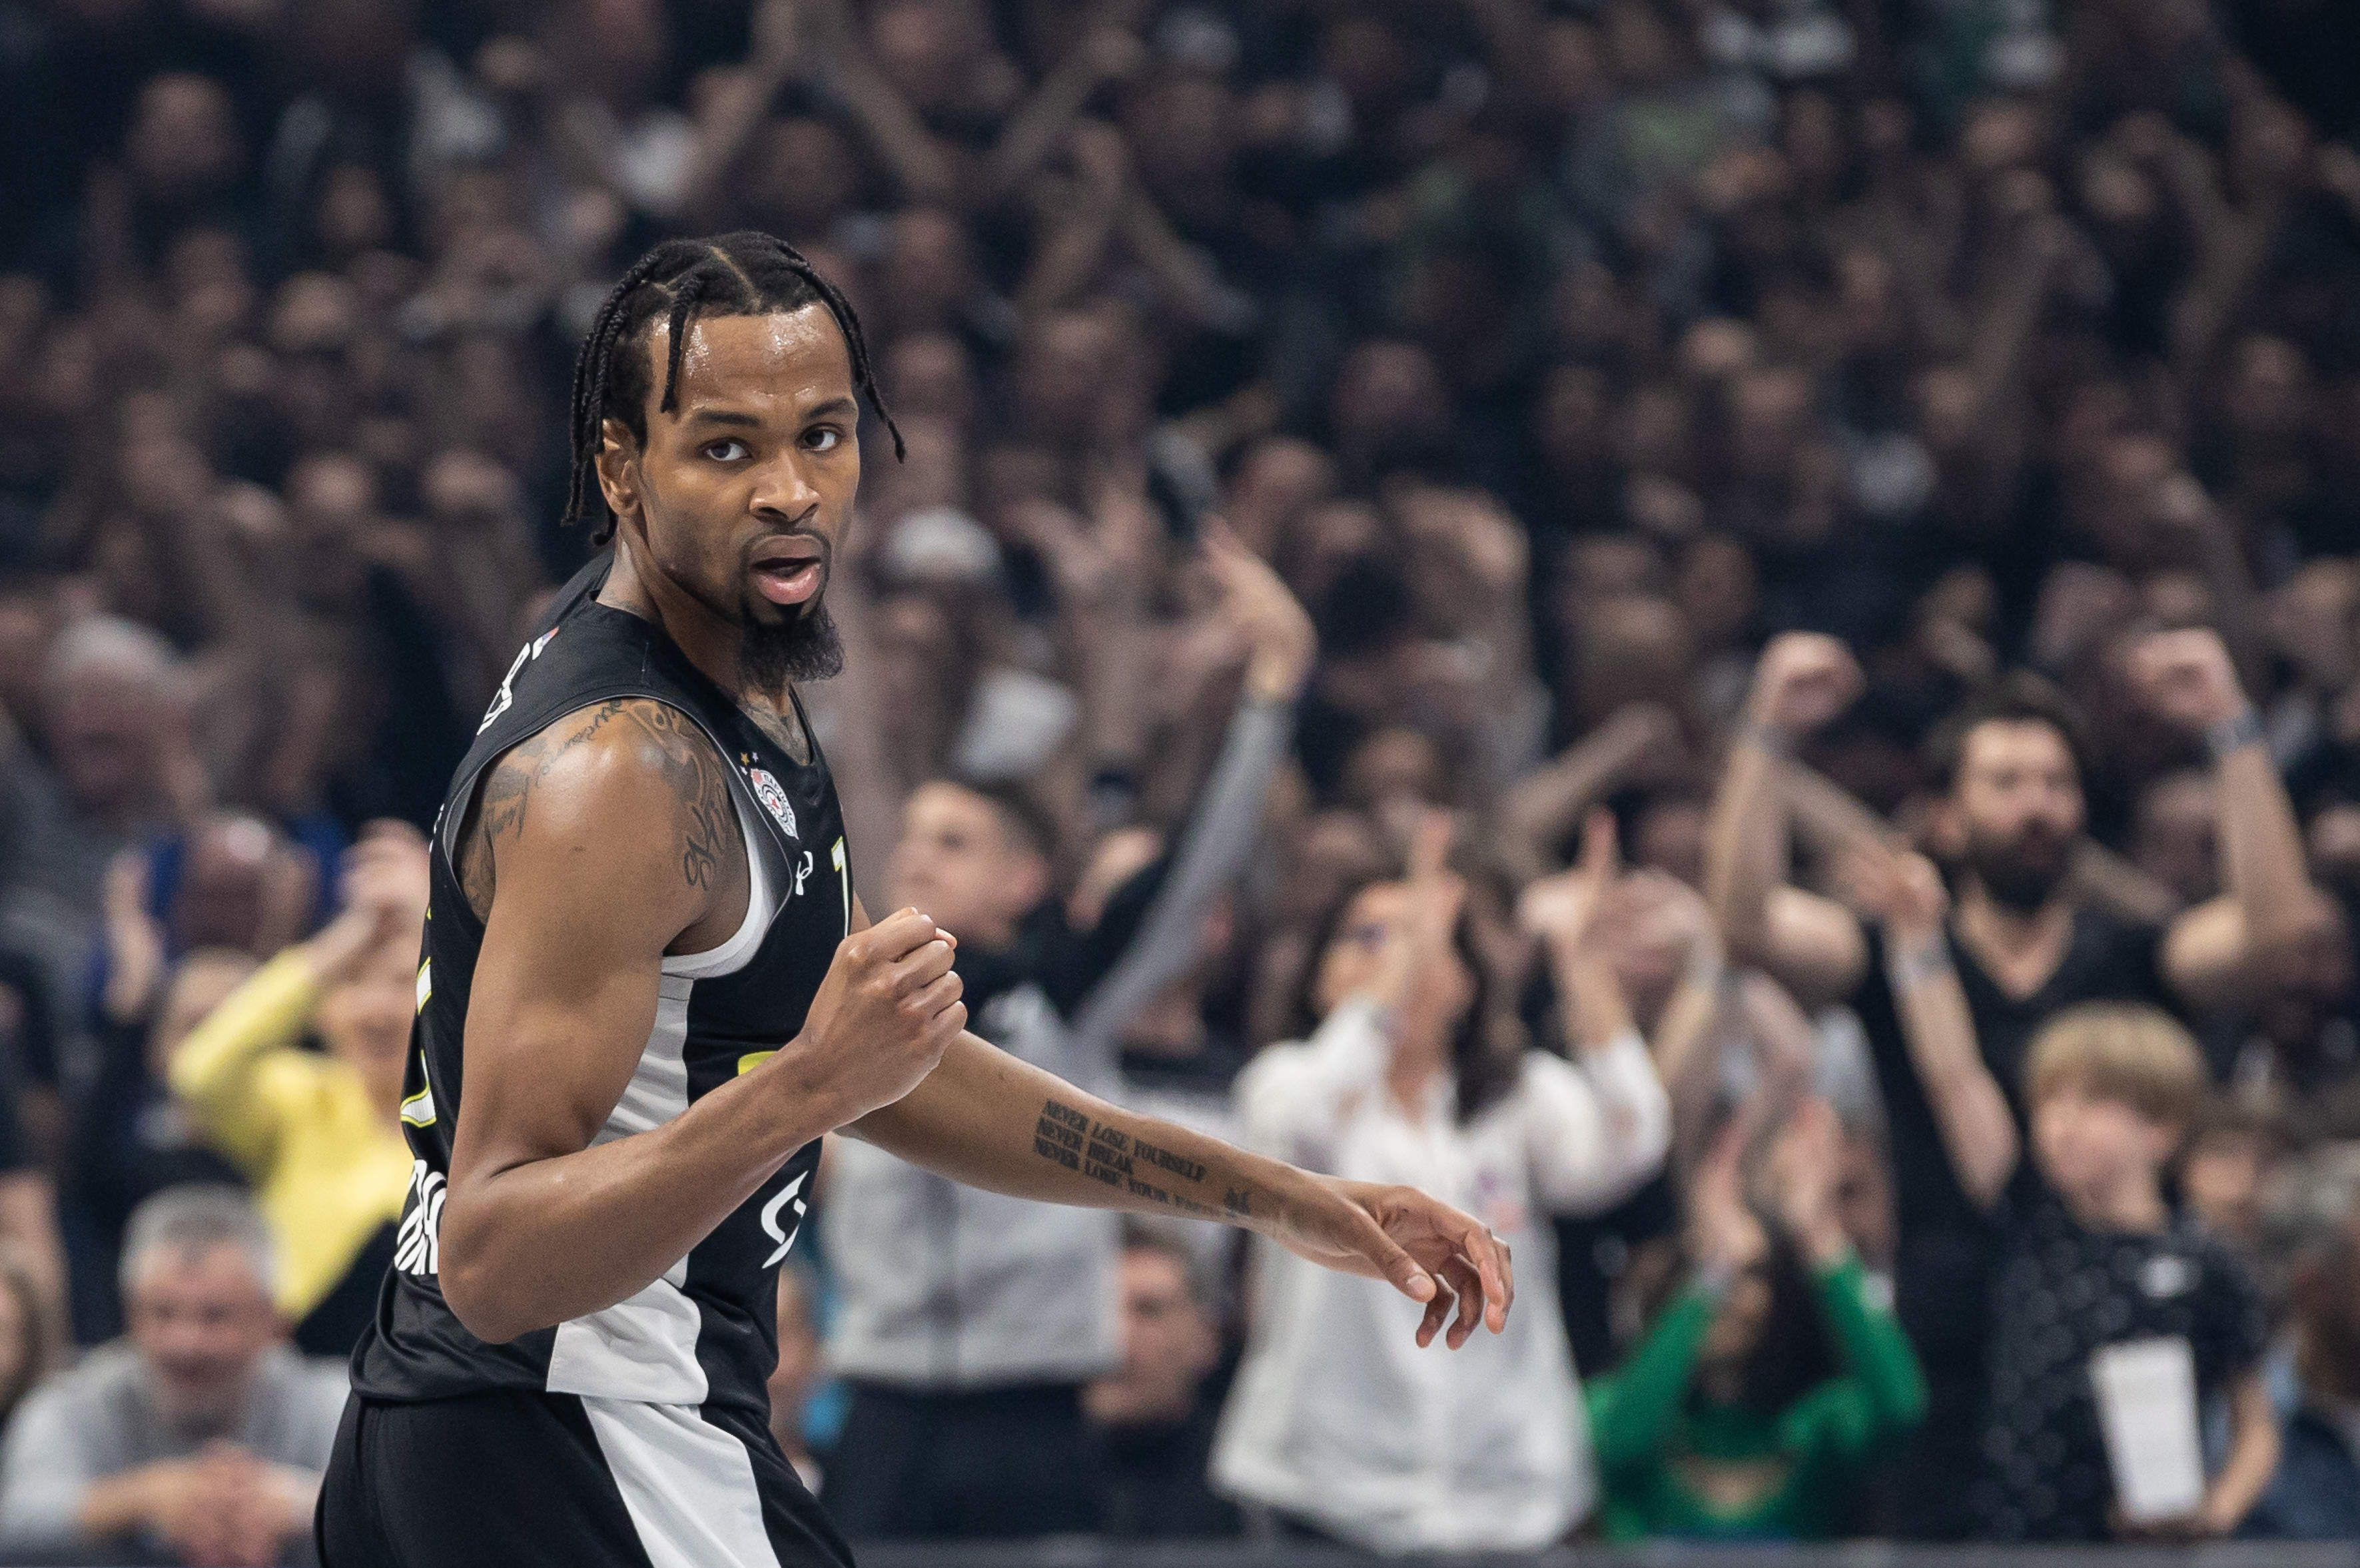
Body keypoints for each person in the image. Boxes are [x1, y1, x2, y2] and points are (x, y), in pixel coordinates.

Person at [319, 233, 1515, 1568]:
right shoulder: (622, 769)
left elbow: (896, 1069)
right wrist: (798, 1094)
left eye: (822, 438)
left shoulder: (726, 680)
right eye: (725, 448)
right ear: (620, 469)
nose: (790, 491)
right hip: (561, 1433)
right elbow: (496, 1256)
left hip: (582, 1425)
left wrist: (1283, 1200)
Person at [1705, 629, 2323, 1535]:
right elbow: (1741, 924)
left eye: (2055, 782)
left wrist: (2230, 724)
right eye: (2004, 782)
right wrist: (1763, 730)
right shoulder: (1897, 951)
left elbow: (2272, 932)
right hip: (1941, 1332)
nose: (2035, 805)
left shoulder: (2128, 955)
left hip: (2109, 1340)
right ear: (1948, 814)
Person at [819, 526, 1310, 1539]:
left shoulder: (1069, 999)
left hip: (1034, 1413)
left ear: (1023, 879)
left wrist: (1270, 689)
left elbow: (1192, 867)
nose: (916, 857)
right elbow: (846, 762)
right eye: (909, 839)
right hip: (881, 1406)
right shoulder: (839, 990)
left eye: (952, 842)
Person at [1212, 811, 1669, 1552]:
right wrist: (1405, 962)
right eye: (1367, 936)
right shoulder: (1286, 1082)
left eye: (1432, 941)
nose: (1406, 956)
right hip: (1326, 1491)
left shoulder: (1515, 1096)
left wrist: (1580, 960)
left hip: (1510, 1495)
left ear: (1467, 981)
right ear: (1323, 975)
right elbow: (1302, 1119)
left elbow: (1630, 1141)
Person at [1857, 843, 2279, 1541]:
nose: (2059, 1125)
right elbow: (1953, 1075)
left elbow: (2255, 1420)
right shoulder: (2028, 1218)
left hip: (2143, 1543)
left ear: (2159, 1128)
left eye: (2089, 1103)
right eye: (2049, 1102)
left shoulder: (2204, 1259)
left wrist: (2219, 1509)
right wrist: (1917, 947)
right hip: (2015, 1538)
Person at [1586, 1099, 1926, 1540]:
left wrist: (1816, 1234)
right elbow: (1621, 1442)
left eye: (1749, 1276)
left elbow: (1900, 1408)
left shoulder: (1815, 1432)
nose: (1730, 1298)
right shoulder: (1627, 1414)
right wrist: (1714, 1272)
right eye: (1710, 1273)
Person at [168, 823, 430, 1356]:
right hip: (299, 1362)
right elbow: (199, 1072)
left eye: (404, 982)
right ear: (323, 1009)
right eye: (353, 983)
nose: (378, 1009)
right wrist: (353, 933)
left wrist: (436, 917)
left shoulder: (464, 1106)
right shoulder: (298, 1097)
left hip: (426, 1361)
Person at [0, 1186, 347, 1568]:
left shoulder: (339, 1404)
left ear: (270, 1321)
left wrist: (305, 1506)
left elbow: (411, 1512)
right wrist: (139, 1500)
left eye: (215, 1315)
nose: (187, 1342)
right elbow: (15, 1525)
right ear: (130, 1314)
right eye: (163, 1313)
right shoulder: (72, 1402)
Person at [1080, 1223, 1240, 1540]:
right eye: (1097, 1312)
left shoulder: (1249, 1499)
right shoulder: (1011, 1487)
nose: (1117, 1337)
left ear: (1207, 1337)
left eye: (1149, 1311)